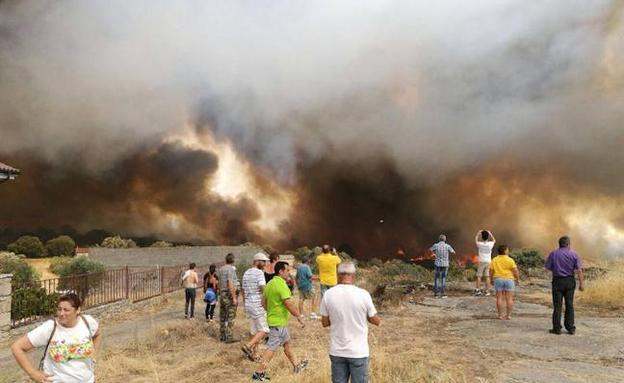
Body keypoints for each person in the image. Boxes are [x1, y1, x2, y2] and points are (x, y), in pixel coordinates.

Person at [11, 293, 101, 383]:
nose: (61, 313)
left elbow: (97, 335)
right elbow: (17, 347)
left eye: (66, 310)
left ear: (78, 310)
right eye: (59, 309)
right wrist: (33, 374)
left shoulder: (88, 322)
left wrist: (94, 355)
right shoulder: (50, 328)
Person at [320, 262, 381, 383]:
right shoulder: (363, 295)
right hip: (358, 351)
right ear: (353, 276)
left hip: (337, 351)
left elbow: (325, 323)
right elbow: (376, 321)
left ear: (338, 276)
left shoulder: (328, 294)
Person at [251, 261, 308, 381]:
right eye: (287, 270)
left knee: (287, 344)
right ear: (280, 271)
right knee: (271, 348)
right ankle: (258, 373)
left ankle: (296, 365)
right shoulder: (281, 284)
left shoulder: (270, 283)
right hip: (278, 323)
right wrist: (299, 316)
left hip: (276, 321)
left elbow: (263, 303)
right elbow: (289, 304)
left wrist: (271, 311)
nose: (289, 273)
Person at [545, 236, 584, 335]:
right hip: (570, 281)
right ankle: (570, 328)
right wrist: (581, 284)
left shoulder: (553, 254)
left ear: (559, 244)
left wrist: (556, 269)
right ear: (568, 244)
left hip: (557, 281)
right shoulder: (574, 254)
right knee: (569, 305)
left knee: (557, 305)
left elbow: (548, 267)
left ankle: (557, 328)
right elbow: (579, 270)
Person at [241, 252, 271, 361]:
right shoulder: (259, 273)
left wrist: (245, 304)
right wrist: (268, 301)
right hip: (257, 304)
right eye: (263, 262)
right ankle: (248, 346)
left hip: (248, 304)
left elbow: (243, 290)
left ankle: (254, 354)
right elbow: (264, 288)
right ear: (257, 261)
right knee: (264, 330)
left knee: (254, 331)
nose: (264, 264)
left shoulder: (246, 273)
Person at [490, 245, 520, 320]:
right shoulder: (510, 260)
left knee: (499, 298)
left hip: (498, 279)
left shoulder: (494, 259)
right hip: (509, 280)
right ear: (505, 251)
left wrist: (491, 279)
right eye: (507, 250)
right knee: (509, 299)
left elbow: (491, 271)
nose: (508, 251)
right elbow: (515, 270)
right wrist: (517, 279)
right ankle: (508, 316)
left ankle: (500, 315)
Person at [217, 253, 239, 343]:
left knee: (222, 315)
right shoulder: (231, 269)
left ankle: (222, 335)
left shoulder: (221, 269)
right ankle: (229, 336)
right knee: (231, 315)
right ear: (233, 261)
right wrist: (234, 297)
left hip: (222, 294)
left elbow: (219, 282)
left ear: (226, 260)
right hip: (228, 294)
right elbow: (230, 282)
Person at [475, 230, 496, 296]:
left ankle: (478, 290)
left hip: (481, 261)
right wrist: (490, 233)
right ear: (488, 237)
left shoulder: (479, 244)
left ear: (482, 237)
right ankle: (487, 291)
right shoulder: (490, 244)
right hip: (488, 261)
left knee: (479, 276)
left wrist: (478, 233)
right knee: (487, 277)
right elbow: (494, 240)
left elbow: (475, 239)